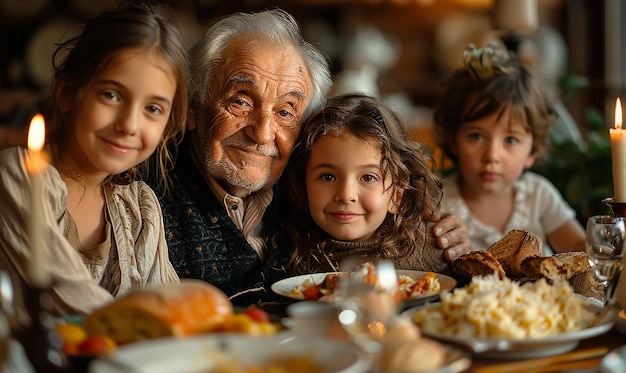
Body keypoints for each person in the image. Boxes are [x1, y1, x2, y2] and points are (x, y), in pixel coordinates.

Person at [151, 9, 470, 307]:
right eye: (241, 101)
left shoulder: (297, 184)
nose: (263, 134)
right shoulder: (151, 203)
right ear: (194, 108)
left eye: (285, 111)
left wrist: (446, 239)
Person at [0, 2, 188, 316]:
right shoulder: (18, 177)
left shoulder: (140, 210)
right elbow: (67, 298)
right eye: (111, 95)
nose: (129, 124)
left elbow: (167, 312)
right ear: (67, 93)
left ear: (167, 125)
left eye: (152, 109)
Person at [432, 44, 585, 256]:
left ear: (532, 151)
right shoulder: (438, 203)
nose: (492, 156)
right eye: (476, 136)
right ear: (453, 140)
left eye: (511, 140)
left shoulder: (538, 195)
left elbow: (581, 248)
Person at [278, 93, 453, 275]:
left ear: (397, 194)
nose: (346, 195)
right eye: (328, 177)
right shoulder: (286, 257)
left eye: (368, 178)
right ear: (303, 184)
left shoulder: (432, 251)